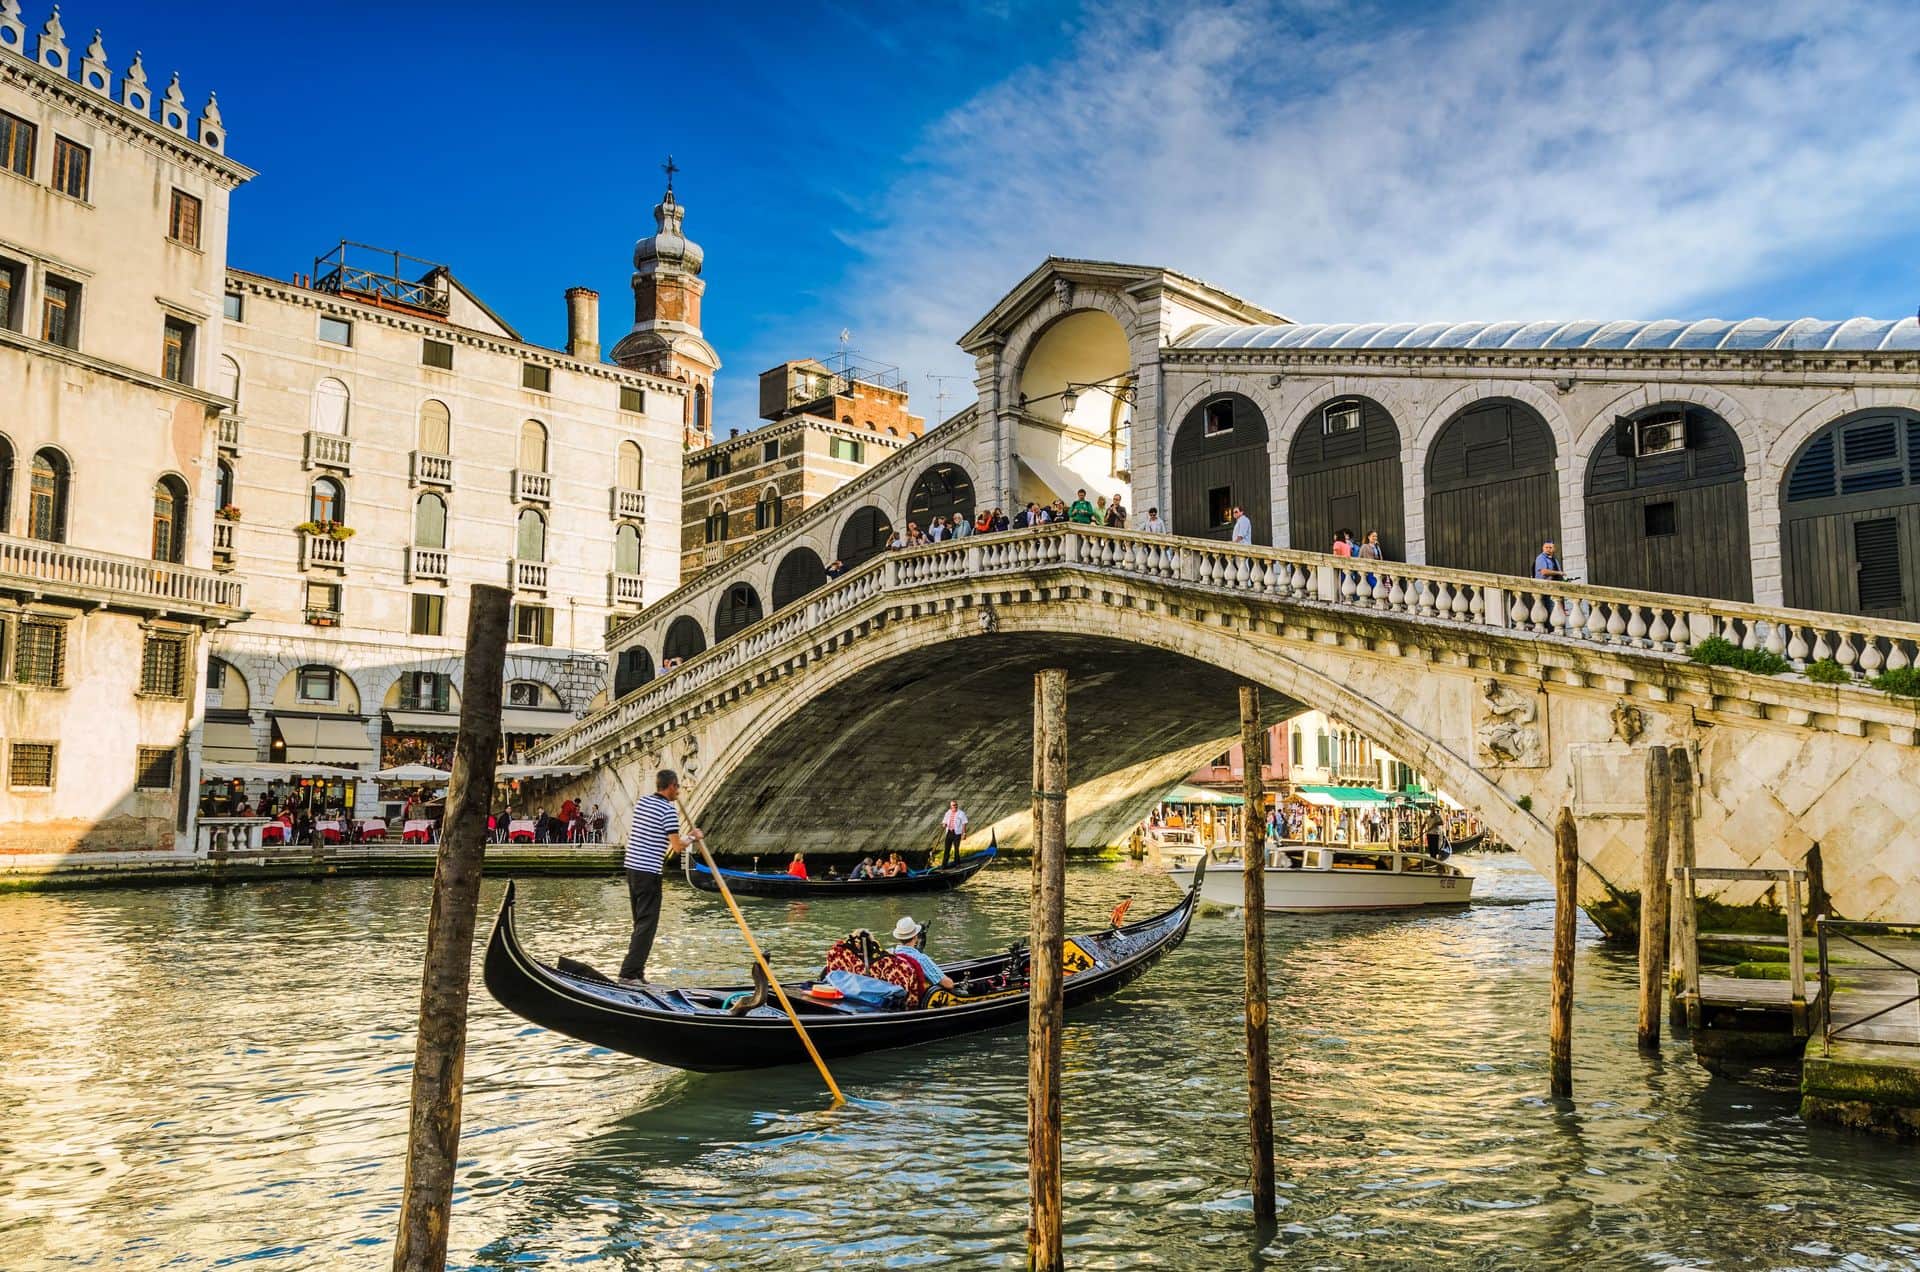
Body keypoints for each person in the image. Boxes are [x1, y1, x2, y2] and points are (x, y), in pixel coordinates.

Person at [620, 769, 700, 985]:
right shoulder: (668, 810)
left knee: (640, 923)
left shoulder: (643, 802)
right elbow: (676, 846)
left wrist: (685, 837)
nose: (678, 793)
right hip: (648, 871)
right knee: (647, 924)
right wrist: (693, 836)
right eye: (677, 788)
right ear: (672, 786)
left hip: (632, 869)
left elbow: (656, 835)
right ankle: (628, 973)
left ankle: (637, 973)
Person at [890, 917, 957, 994]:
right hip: (919, 1000)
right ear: (915, 937)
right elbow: (948, 984)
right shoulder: (920, 959)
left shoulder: (891, 954)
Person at [940, 799, 968, 865]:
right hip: (949, 832)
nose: (955, 806)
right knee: (947, 849)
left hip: (957, 833)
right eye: (954, 805)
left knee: (956, 849)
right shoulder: (948, 812)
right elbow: (944, 821)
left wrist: (964, 833)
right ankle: (944, 864)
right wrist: (944, 824)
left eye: (956, 805)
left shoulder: (961, 813)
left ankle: (957, 863)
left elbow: (964, 823)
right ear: (951, 806)